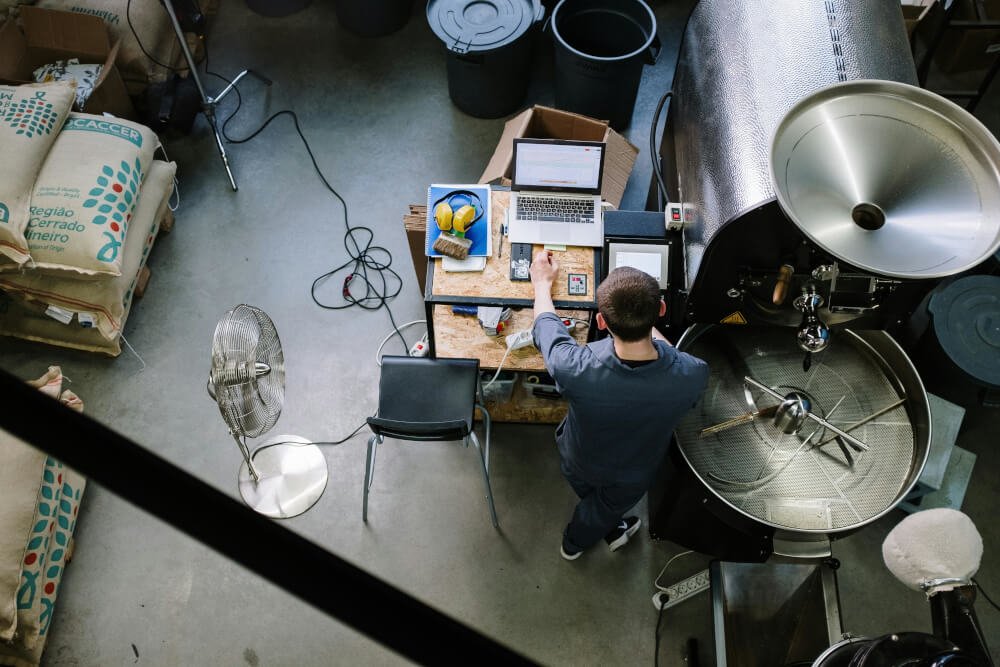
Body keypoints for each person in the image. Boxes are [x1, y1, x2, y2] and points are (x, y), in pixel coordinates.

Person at [529, 250, 709, 560]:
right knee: (606, 506)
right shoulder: (692, 373)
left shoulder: (574, 369)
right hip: (632, 472)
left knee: (594, 507)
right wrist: (644, 319)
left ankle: (574, 542)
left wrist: (542, 284)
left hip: (578, 457)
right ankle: (603, 524)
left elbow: (547, 326)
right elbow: (671, 356)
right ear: (662, 310)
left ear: (600, 321)